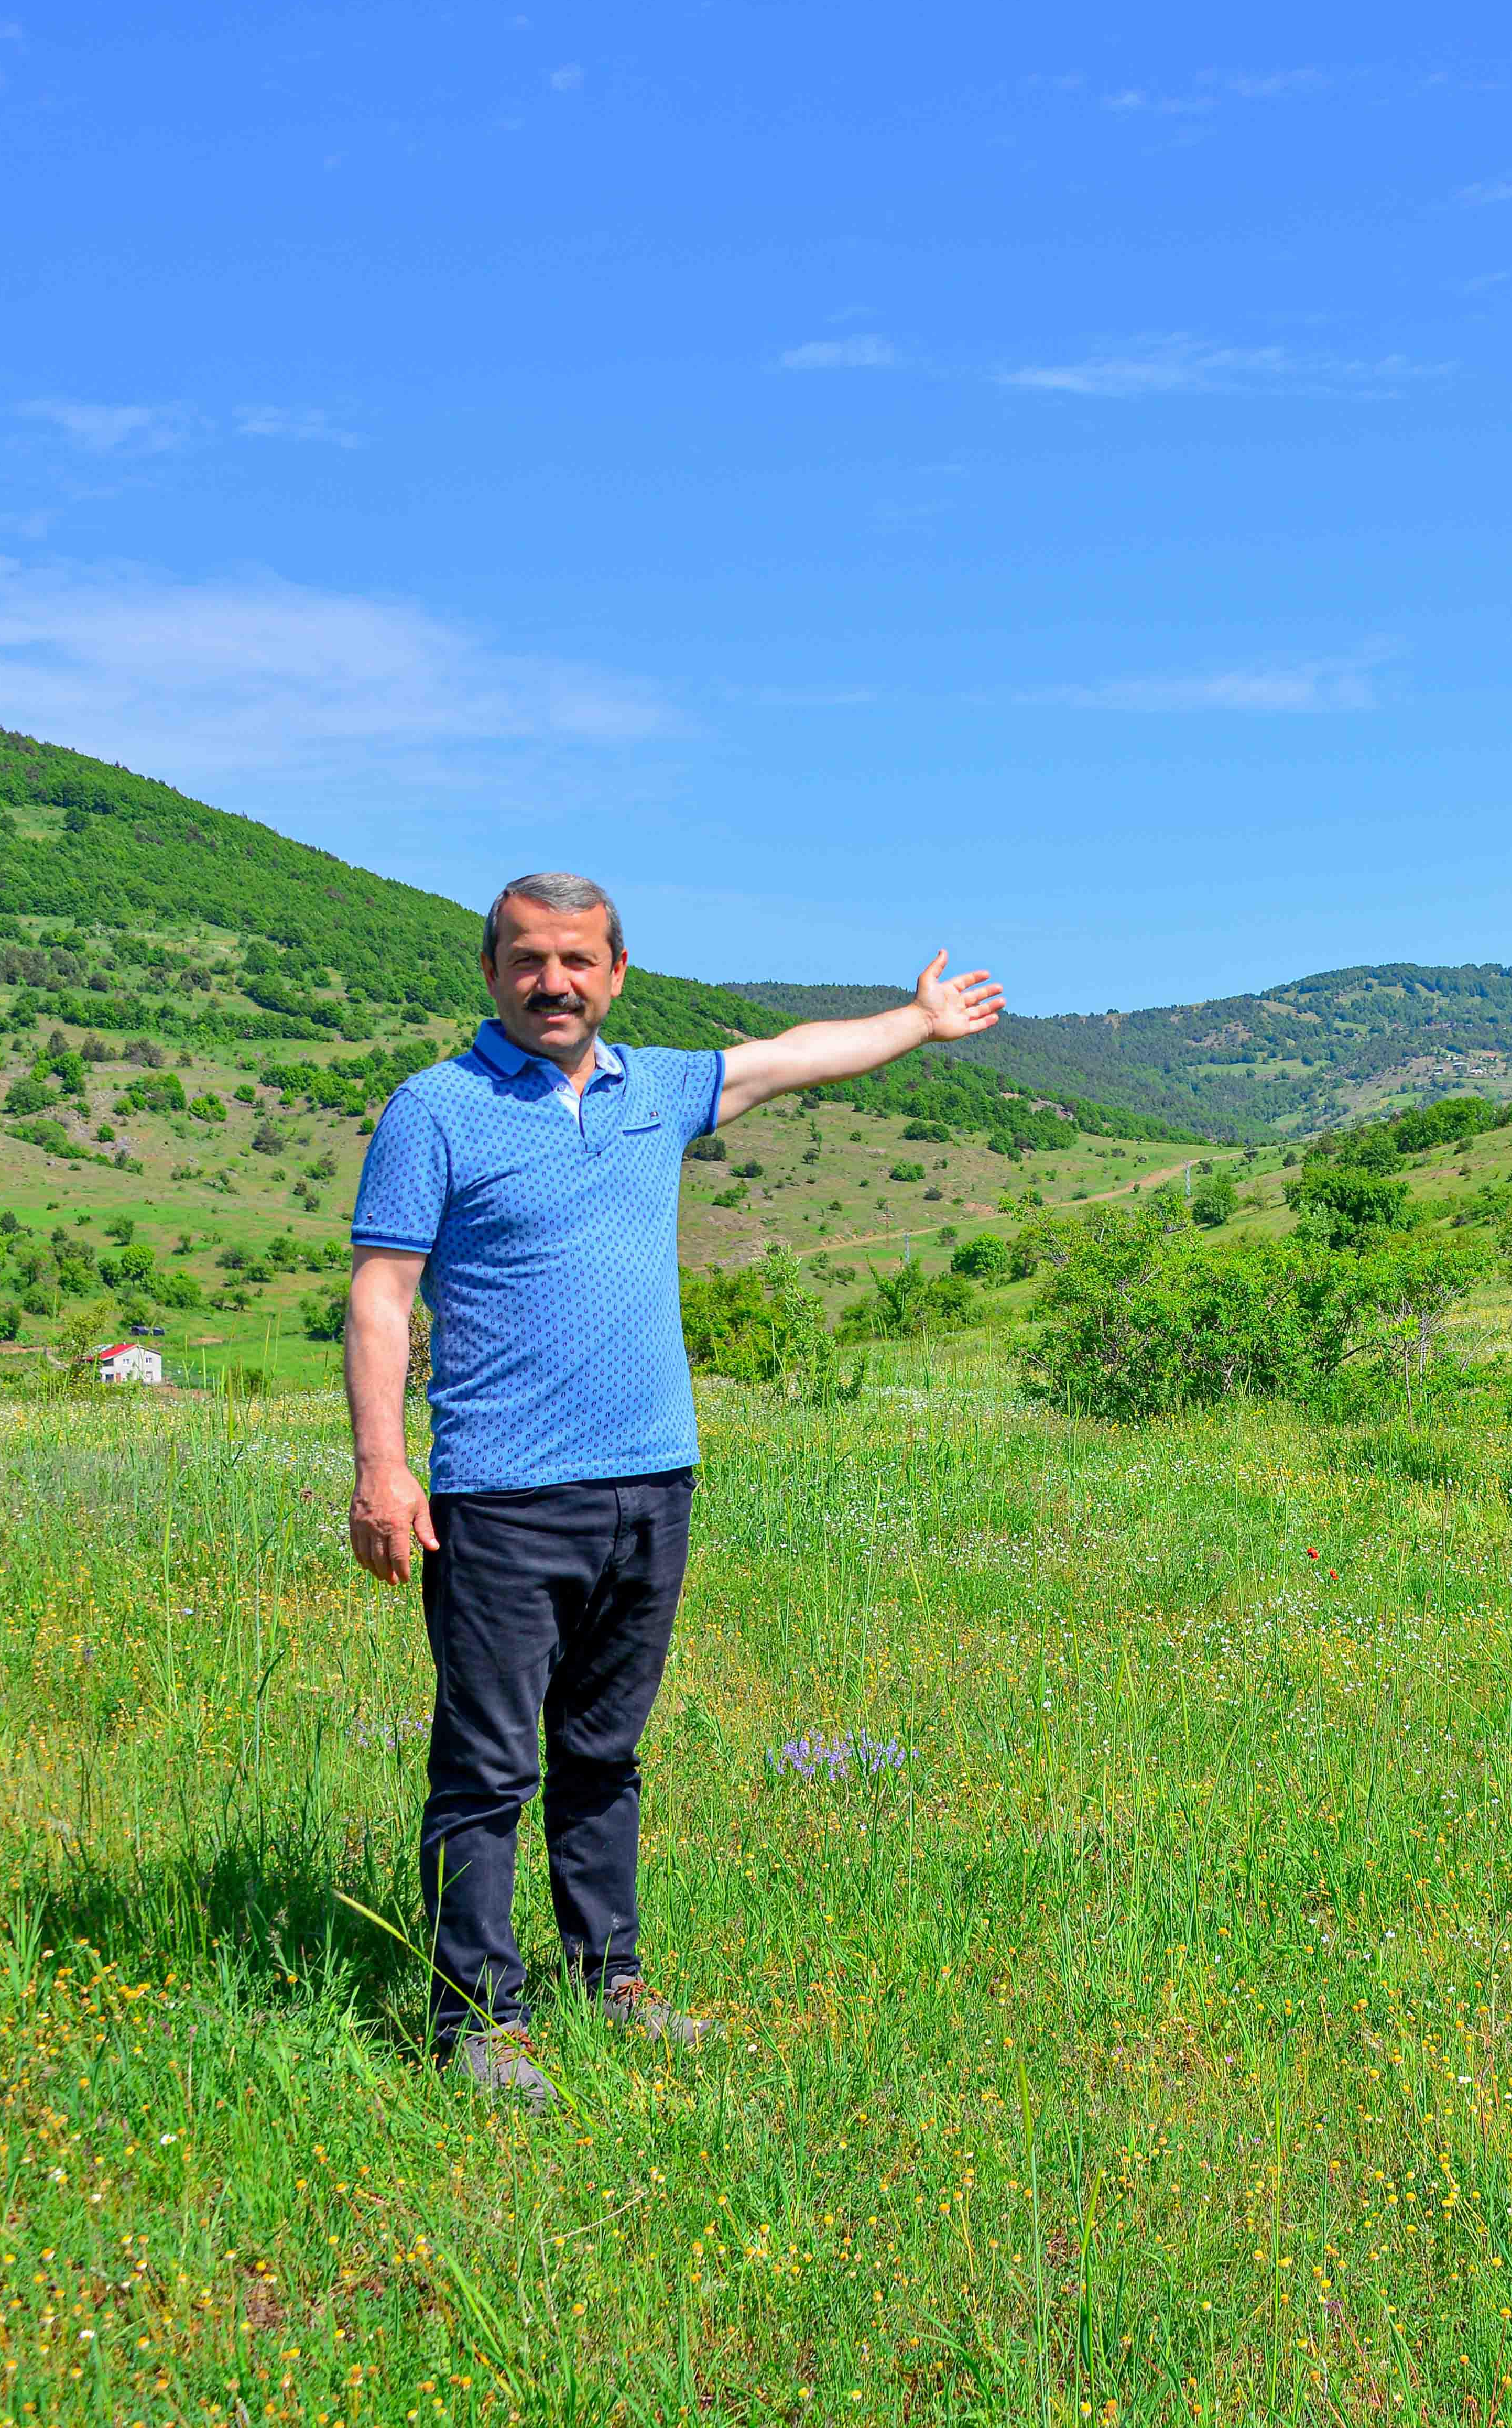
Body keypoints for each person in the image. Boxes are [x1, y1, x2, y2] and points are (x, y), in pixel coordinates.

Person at [343, 870, 1004, 2105]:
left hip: (652, 1482)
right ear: (491, 972)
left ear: (617, 971)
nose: (555, 982)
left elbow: (790, 1056)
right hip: (498, 1495)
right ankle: (476, 2019)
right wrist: (384, 1467)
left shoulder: (657, 1090)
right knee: (487, 1767)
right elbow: (382, 1293)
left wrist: (915, 1022)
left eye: (579, 960)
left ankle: (610, 1981)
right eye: (530, 960)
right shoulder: (434, 1110)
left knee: (604, 1750)